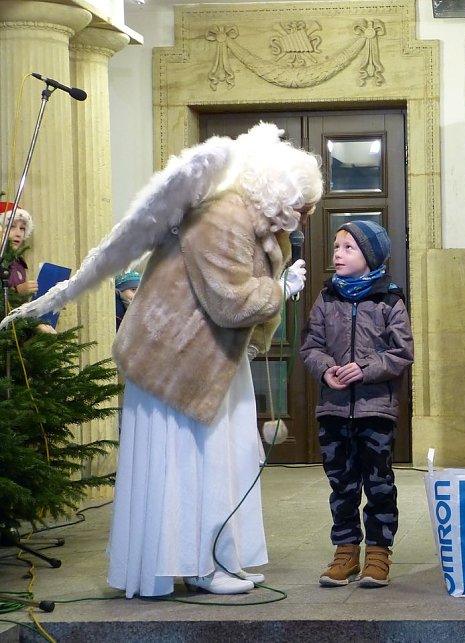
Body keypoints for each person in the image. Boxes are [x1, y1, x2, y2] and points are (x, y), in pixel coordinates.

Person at [0, 122, 323, 596]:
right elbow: (230, 301)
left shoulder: (265, 224)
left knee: (228, 459)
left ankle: (218, 557)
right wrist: (278, 291)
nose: (308, 215)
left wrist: (271, 292)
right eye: (303, 206)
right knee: (193, 464)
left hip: (214, 357)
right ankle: (197, 565)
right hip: (176, 360)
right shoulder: (224, 217)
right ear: (280, 196)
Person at [299, 219, 414, 588]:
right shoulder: (326, 297)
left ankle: (379, 553)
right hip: (333, 409)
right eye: (336, 247)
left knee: (378, 482)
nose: (337, 254)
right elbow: (311, 346)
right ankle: (345, 552)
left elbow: (401, 352)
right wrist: (326, 370)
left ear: (371, 256)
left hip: (375, 410)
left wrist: (363, 369)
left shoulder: (389, 299)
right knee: (342, 484)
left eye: (348, 248)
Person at [0, 202, 37, 297]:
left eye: (22, 228)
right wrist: (17, 291)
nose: (18, 234)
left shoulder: (19, 263)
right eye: (11, 226)